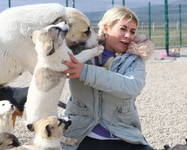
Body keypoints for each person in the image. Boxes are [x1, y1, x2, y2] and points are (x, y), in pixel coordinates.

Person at [61, 5, 155, 150]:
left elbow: (132, 87)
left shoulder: (135, 59)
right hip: (78, 135)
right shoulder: (81, 51)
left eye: (132, 31)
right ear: (106, 28)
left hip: (122, 136)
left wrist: (86, 72)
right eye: (123, 29)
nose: (128, 36)